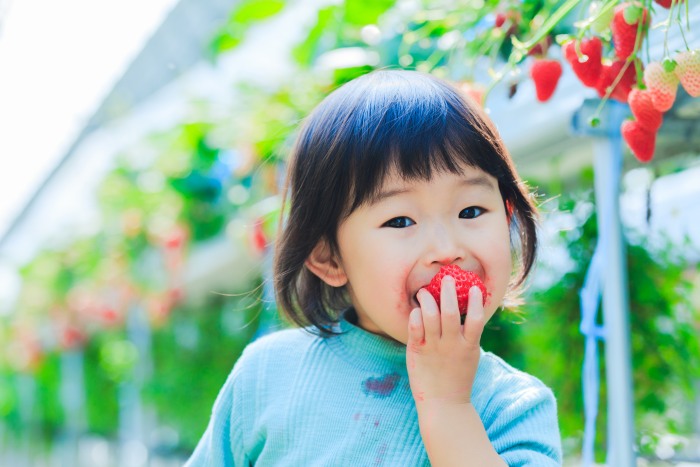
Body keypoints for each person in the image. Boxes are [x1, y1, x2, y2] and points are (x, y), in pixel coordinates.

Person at [186, 69, 562, 466]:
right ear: (329, 257)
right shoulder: (268, 375)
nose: (447, 249)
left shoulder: (513, 407)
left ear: (508, 218)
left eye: (471, 210)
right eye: (400, 221)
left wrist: (448, 405)